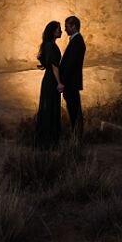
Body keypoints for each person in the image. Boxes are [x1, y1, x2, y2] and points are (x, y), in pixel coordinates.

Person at [34, 20, 63, 149]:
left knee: (51, 108)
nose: (60, 31)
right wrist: (59, 83)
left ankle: (49, 141)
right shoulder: (50, 46)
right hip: (51, 80)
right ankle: (48, 142)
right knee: (50, 108)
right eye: (58, 29)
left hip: (49, 79)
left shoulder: (49, 44)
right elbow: (54, 66)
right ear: (52, 31)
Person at [58, 15, 86, 141]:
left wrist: (63, 82)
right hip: (71, 83)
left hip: (71, 83)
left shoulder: (77, 42)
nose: (65, 29)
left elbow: (71, 65)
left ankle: (77, 138)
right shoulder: (75, 41)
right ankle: (76, 137)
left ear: (73, 26)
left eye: (66, 26)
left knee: (74, 111)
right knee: (74, 111)